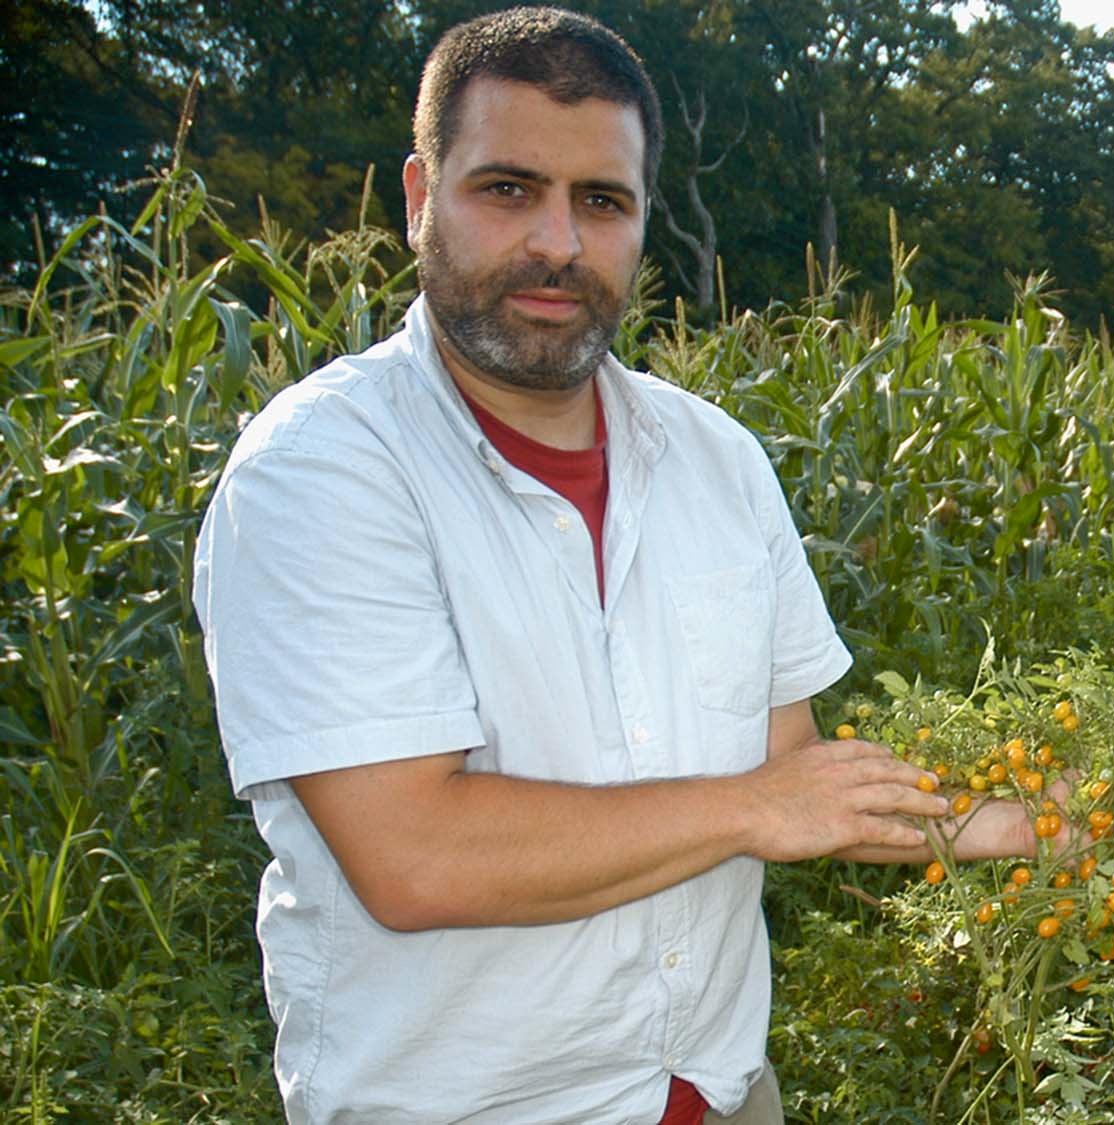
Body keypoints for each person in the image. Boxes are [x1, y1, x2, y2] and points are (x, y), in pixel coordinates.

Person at [194, 7, 1042, 1123]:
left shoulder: (716, 460)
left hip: (719, 1089)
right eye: (508, 190)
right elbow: (414, 858)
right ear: (417, 197)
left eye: (602, 202)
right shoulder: (321, 474)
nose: (558, 242)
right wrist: (752, 808)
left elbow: (798, 774)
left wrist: (1025, 816)